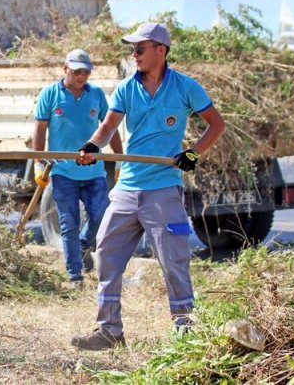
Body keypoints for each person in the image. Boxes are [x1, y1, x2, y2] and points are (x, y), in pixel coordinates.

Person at [70, 22, 225, 351]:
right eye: (133, 49)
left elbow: (216, 124)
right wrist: (92, 147)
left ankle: (185, 330)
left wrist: (193, 153)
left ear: (161, 50)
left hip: (163, 189)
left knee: (173, 260)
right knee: (107, 254)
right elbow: (107, 127)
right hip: (127, 187)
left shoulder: (186, 87)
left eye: (140, 48)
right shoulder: (127, 88)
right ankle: (109, 330)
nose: (134, 54)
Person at [33, 49, 123, 287]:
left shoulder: (96, 96)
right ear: (66, 69)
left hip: (94, 171)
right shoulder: (50, 94)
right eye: (77, 71)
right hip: (63, 172)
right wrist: (38, 163)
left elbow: (109, 127)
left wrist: (120, 159)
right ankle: (75, 276)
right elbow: (40, 129)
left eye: (85, 71)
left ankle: (84, 245)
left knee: (101, 216)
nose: (82, 76)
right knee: (68, 223)